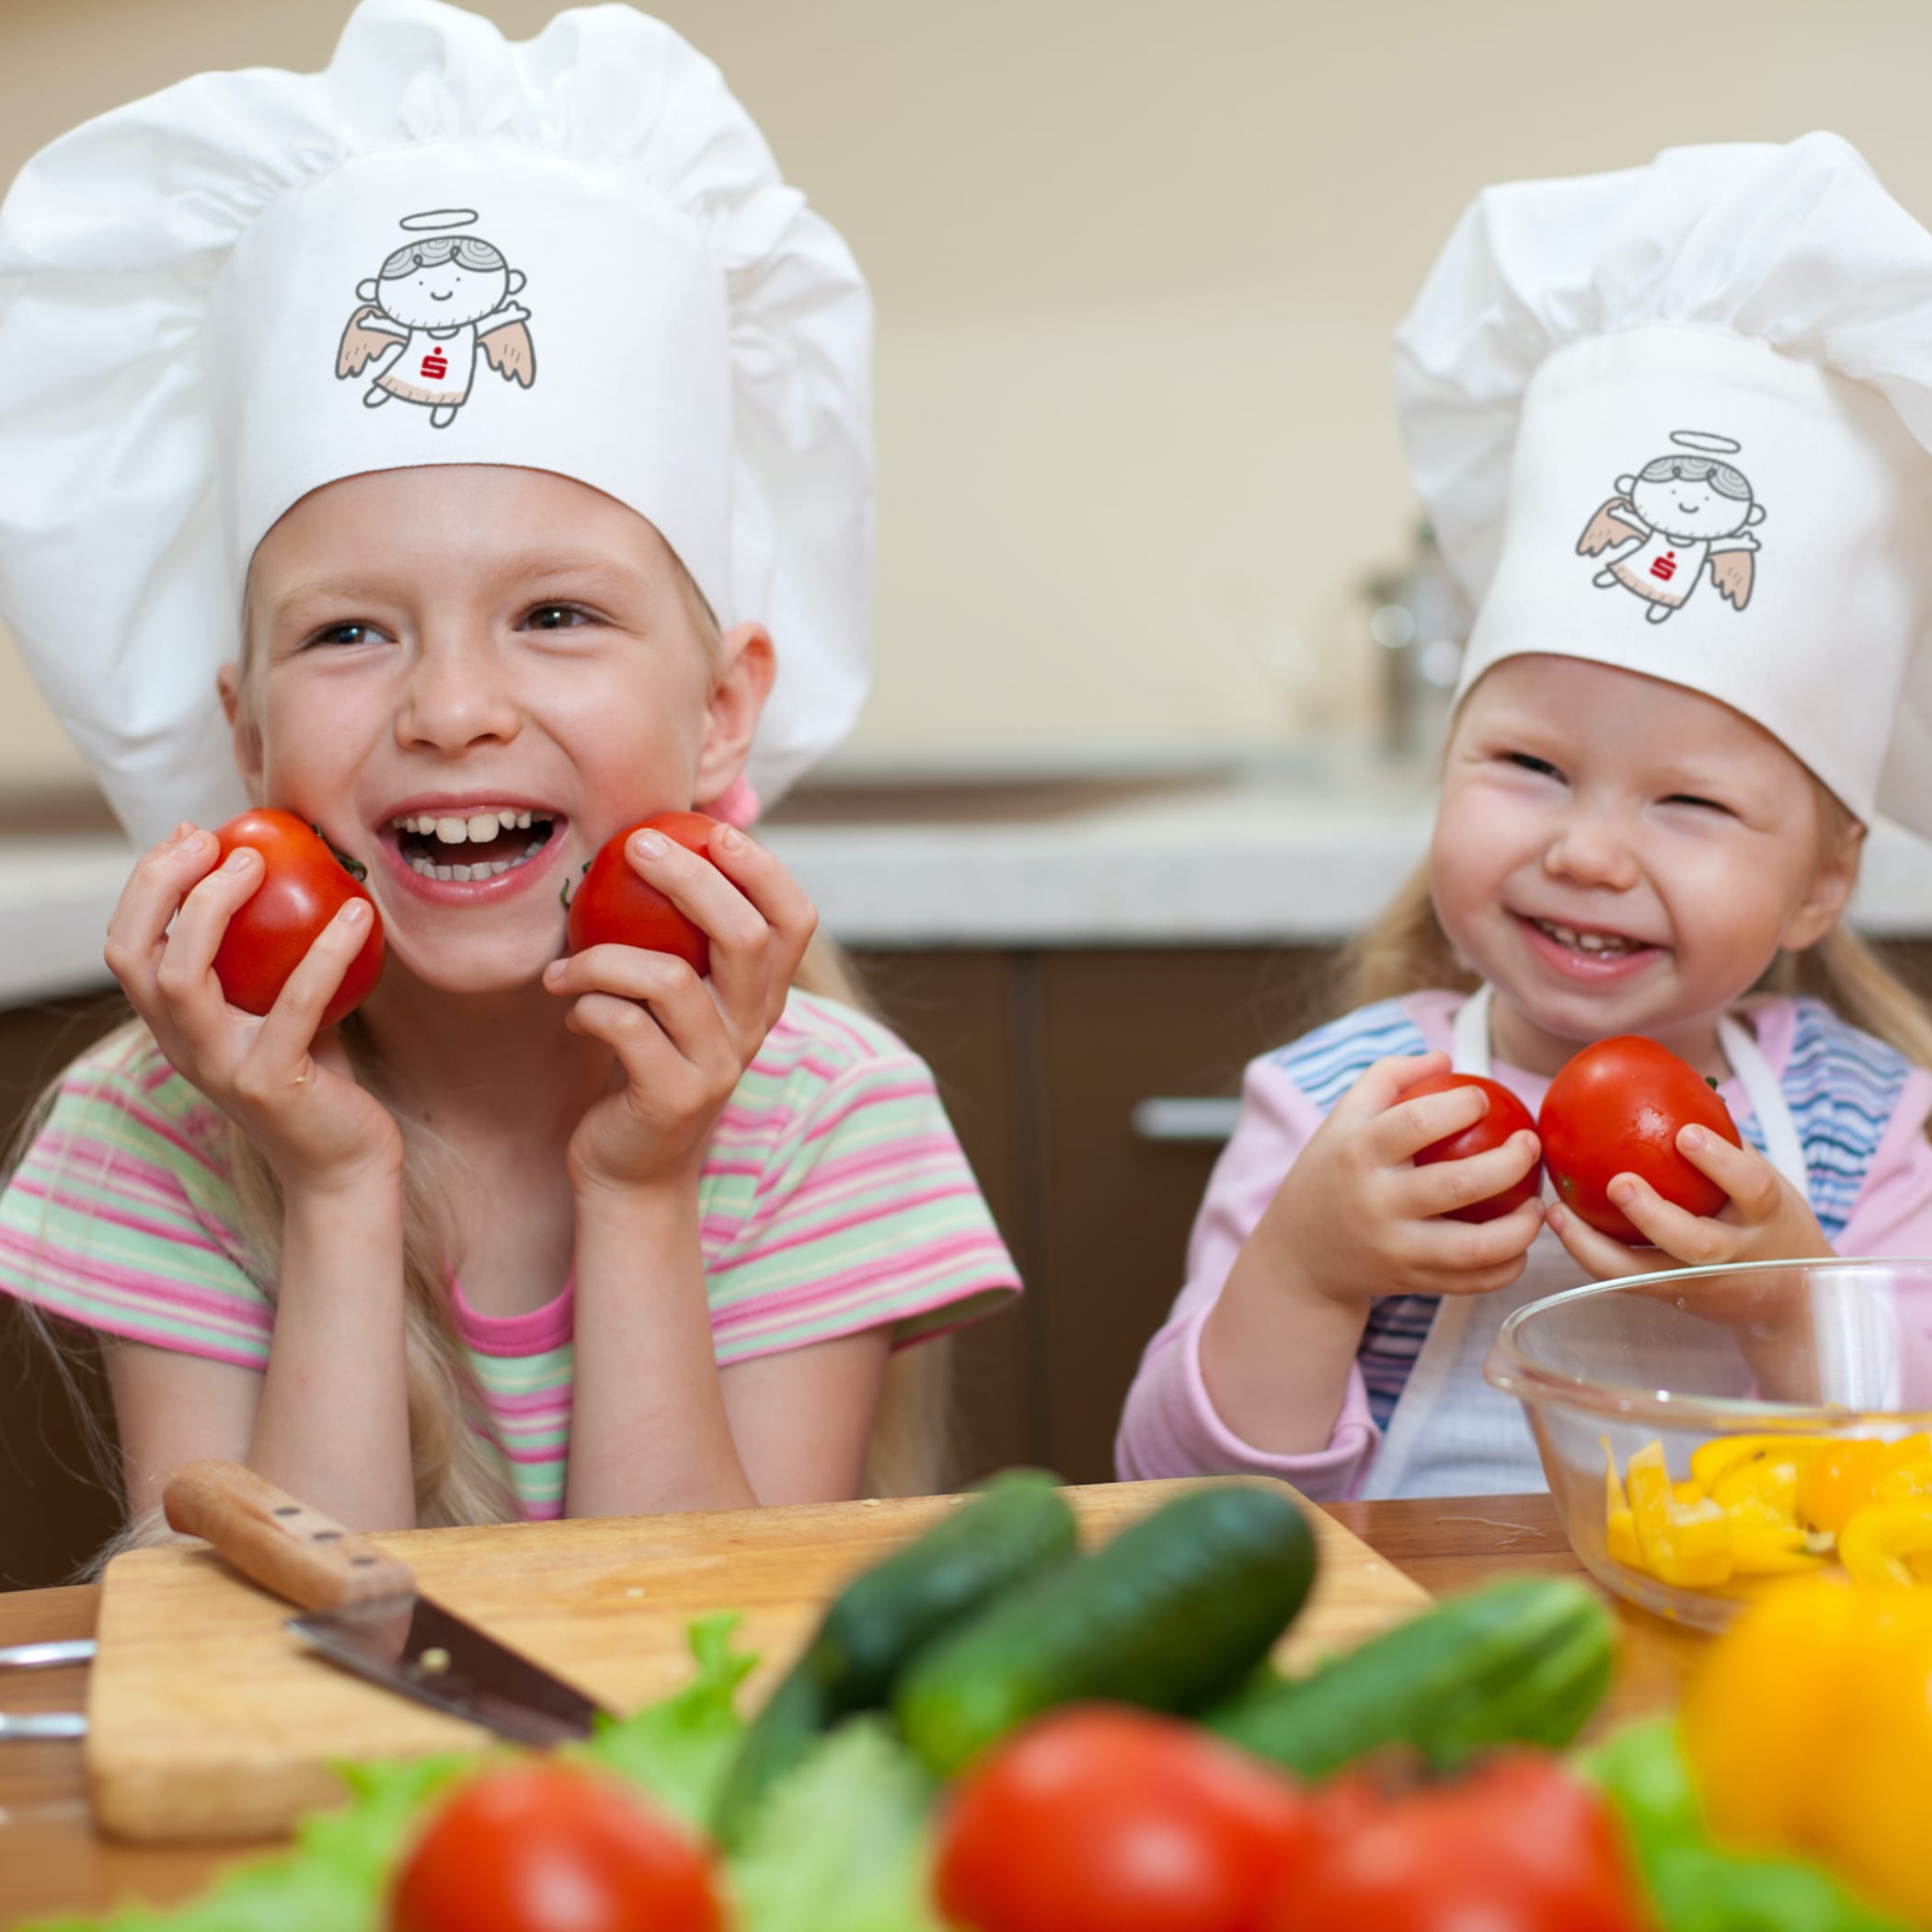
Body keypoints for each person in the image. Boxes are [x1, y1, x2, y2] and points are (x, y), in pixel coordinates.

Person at [0, 0, 1019, 1547]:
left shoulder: (826, 1120)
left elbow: (697, 1652)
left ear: (725, 710)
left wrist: (643, 1186)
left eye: (556, 615)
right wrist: (336, 1193)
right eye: (349, 631)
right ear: (248, 737)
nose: (455, 709)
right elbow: (265, 1671)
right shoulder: (161, 1130)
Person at [1119, 132, 1932, 1501]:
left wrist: (1791, 1297)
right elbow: (1176, 1501)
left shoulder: (1867, 1134)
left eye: (1688, 800)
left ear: (1820, 879)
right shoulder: (1335, 1113)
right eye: (1531, 766)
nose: (1589, 851)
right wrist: (1308, 1272)